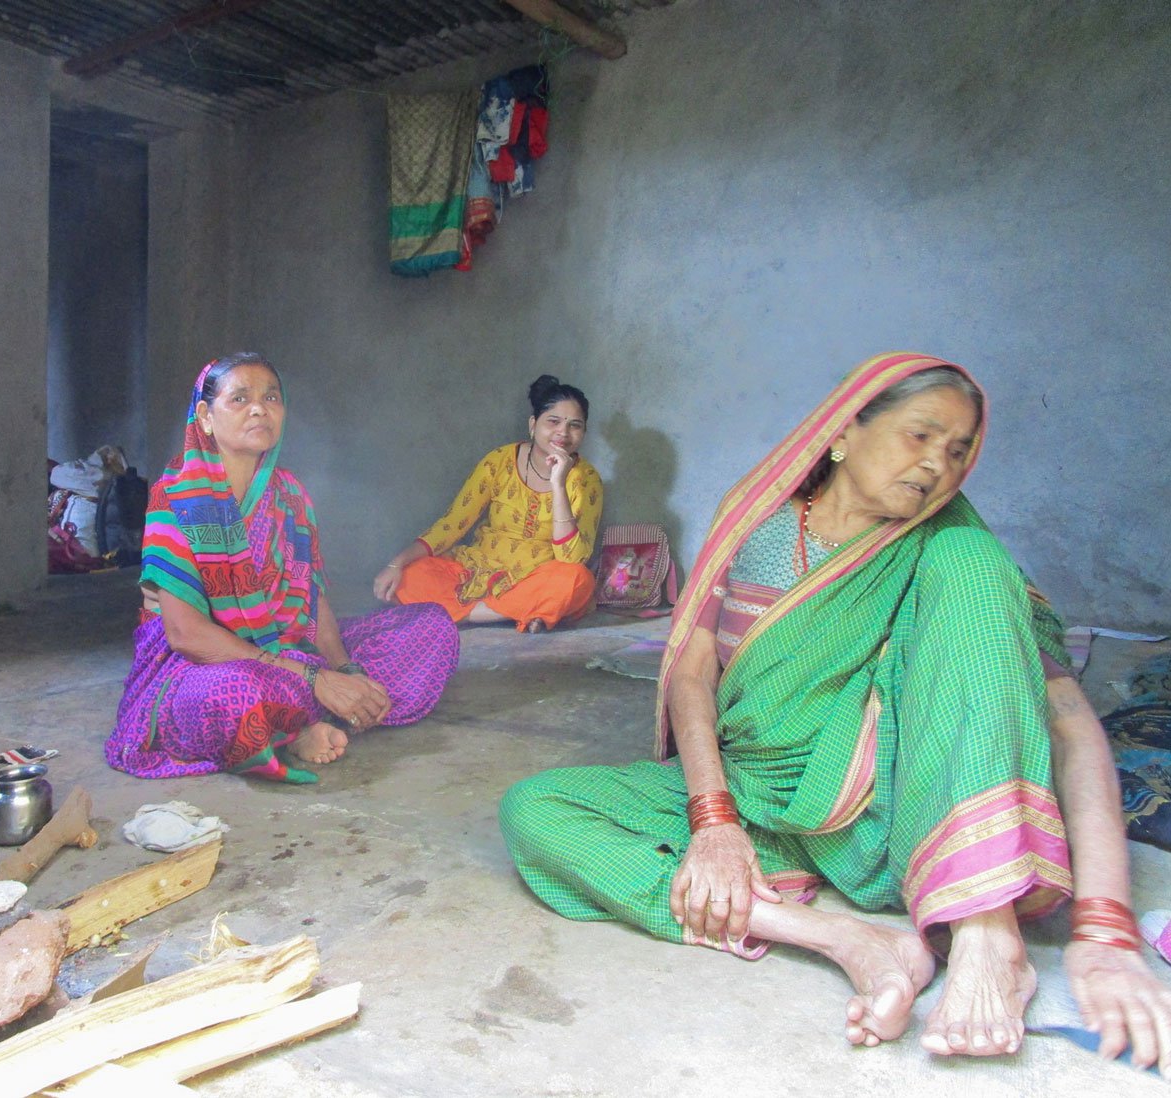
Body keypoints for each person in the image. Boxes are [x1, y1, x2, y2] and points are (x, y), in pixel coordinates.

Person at [501, 352, 1171, 1070]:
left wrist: (1105, 933)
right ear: (845, 431)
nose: (937, 466)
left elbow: (1067, 720)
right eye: (920, 436)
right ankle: (846, 941)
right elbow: (692, 676)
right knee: (534, 810)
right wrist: (714, 821)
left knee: (972, 563)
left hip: (888, 818)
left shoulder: (955, 553)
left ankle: (985, 927)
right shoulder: (754, 522)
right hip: (757, 804)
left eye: (957, 451)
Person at [106, 353, 459, 783]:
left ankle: (304, 717)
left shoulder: (290, 495)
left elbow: (314, 602)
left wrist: (344, 670)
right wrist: (315, 679)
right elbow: (186, 636)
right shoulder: (176, 498)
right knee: (233, 695)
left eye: (270, 397)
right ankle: (296, 727)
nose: (259, 408)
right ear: (205, 416)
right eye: (239, 398)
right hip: (204, 665)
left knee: (432, 627)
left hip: (291, 653)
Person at [374, 375, 603, 633]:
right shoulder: (499, 461)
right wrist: (397, 563)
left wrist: (558, 483)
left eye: (575, 425)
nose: (563, 432)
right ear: (533, 424)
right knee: (409, 576)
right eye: (553, 421)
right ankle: (508, 613)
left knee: (576, 580)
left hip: (535, 578)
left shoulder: (587, 480)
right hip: (478, 570)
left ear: (583, 432)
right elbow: (452, 524)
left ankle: (458, 613)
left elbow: (571, 558)